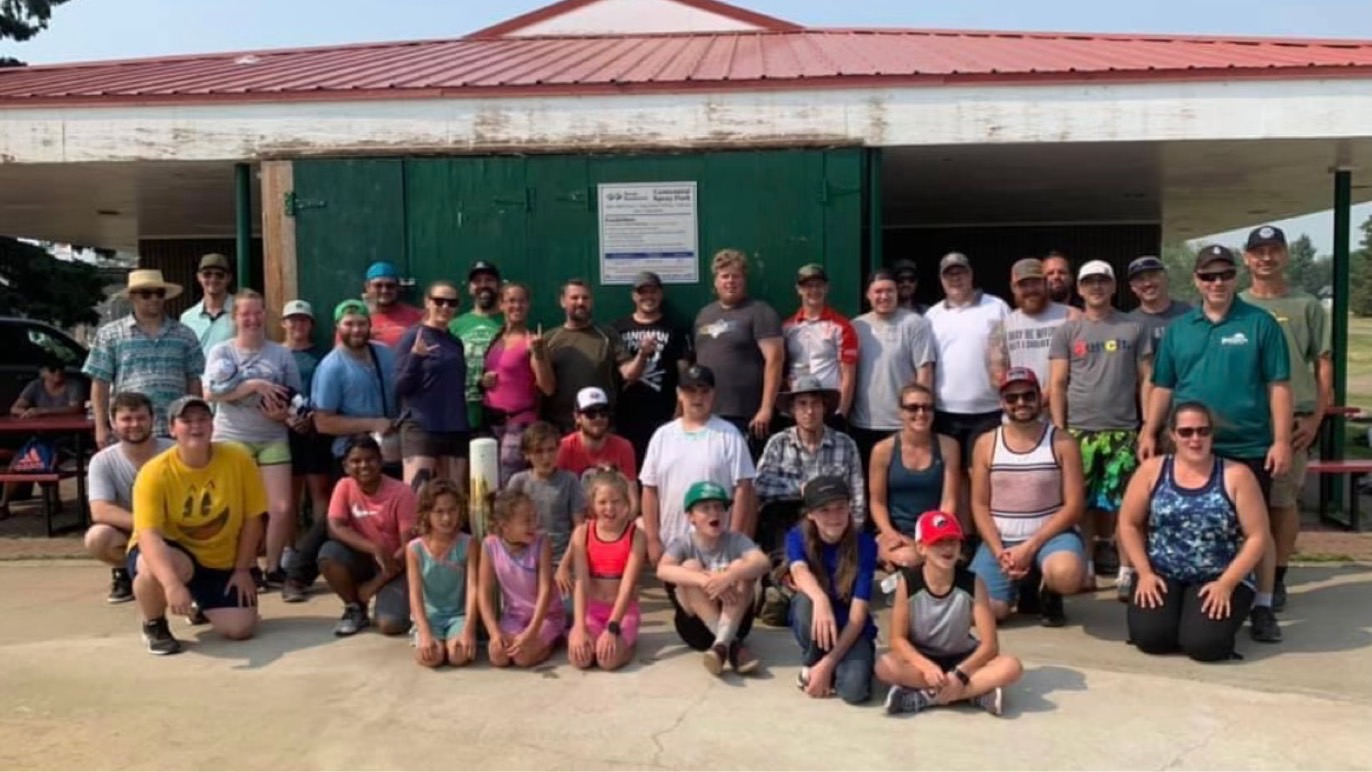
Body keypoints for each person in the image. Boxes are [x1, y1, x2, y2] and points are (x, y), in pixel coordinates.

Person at [1140, 244, 1292, 644]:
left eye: (1224, 274)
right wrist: (1149, 430)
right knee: (1186, 521)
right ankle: (1189, 590)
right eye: (1209, 276)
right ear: (1197, 280)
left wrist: (1281, 440)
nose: (1217, 282)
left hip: (1248, 444)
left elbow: (1278, 385)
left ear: (1235, 277)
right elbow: (1163, 386)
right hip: (1191, 444)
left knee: (1257, 530)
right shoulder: (1180, 330)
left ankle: (1262, 605)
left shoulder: (1260, 324)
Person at [1118, 403, 1270, 662]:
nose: (1195, 439)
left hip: (1218, 576)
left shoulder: (1237, 475)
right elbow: (1129, 523)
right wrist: (1143, 572)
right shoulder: (1151, 471)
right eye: (1186, 432)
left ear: (1212, 434)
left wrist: (1226, 584)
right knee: (1152, 639)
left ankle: (1205, 621)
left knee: (1205, 646)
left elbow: (1257, 536)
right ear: (1173, 434)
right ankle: (1178, 617)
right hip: (1162, 573)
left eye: (1203, 431)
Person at [127, 396, 266, 655]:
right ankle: (154, 624)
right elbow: (148, 536)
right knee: (149, 567)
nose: (196, 426)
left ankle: (199, 602)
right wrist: (171, 584)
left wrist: (243, 569)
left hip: (219, 559)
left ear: (213, 425)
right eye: (186, 421)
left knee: (240, 629)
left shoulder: (239, 458)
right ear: (172, 428)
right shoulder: (154, 472)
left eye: (203, 419)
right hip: (173, 551)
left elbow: (253, 518)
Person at [1240, 225, 1331, 613]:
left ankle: (1276, 577)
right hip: (1246, 419)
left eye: (1274, 250)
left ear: (1285, 255)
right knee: (1239, 502)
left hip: (1293, 420)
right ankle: (1241, 573)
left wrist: (1315, 419)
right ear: (1246, 258)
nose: (1266, 258)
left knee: (1281, 502)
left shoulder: (1306, 305)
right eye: (1258, 251)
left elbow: (1323, 365)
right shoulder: (1236, 304)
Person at [1048, 260, 1151, 596]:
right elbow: (1058, 383)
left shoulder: (1133, 327)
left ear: (1113, 286)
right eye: (1089, 282)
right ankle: (1087, 569)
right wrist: (1059, 430)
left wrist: (1148, 426)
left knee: (1127, 506)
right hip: (1079, 432)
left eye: (1102, 281)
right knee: (1081, 505)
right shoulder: (1067, 331)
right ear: (1079, 288)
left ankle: (1126, 571)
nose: (1096, 287)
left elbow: (1146, 380)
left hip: (1123, 431)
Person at [876, 510, 1023, 716]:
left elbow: (990, 646)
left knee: (1011, 666)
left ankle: (928, 696)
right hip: (923, 657)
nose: (947, 548)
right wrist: (925, 666)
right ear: (921, 547)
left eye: (952, 541)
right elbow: (897, 639)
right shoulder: (907, 583)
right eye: (938, 542)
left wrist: (961, 673)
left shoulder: (973, 583)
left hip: (962, 658)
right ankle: (973, 693)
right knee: (884, 667)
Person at [969, 368, 1086, 626]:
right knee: (984, 613)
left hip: (1050, 537)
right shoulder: (986, 443)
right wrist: (999, 551)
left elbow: (1074, 506)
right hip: (1002, 540)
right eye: (1012, 398)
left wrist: (1029, 547)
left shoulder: (1063, 442)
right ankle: (1020, 587)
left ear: (1039, 398)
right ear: (1002, 403)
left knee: (1066, 575)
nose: (1020, 402)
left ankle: (1049, 590)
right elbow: (979, 504)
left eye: (1028, 396)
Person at [204, 289, 302, 588]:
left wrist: (284, 414)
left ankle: (273, 567)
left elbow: (296, 397)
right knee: (240, 507)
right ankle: (246, 565)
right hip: (233, 436)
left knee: (281, 507)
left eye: (257, 313)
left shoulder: (281, 354)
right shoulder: (222, 352)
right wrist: (253, 385)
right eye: (245, 314)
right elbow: (210, 393)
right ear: (235, 317)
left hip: (272, 436)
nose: (252, 319)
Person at [640, 364, 756, 565]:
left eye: (704, 391)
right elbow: (649, 489)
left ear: (713, 394)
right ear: (679, 394)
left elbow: (743, 489)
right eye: (690, 391)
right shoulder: (662, 436)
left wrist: (734, 539)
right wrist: (652, 539)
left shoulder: (730, 435)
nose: (697, 397)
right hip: (671, 546)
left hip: (717, 548)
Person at [656, 480, 770, 676]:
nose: (714, 513)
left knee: (741, 566)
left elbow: (763, 562)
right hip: (697, 629)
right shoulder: (683, 543)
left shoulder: (736, 539)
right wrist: (704, 580)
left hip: (736, 623)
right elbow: (662, 570)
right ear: (691, 517)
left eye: (718, 507)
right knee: (689, 567)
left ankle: (721, 646)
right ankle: (730, 646)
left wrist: (729, 576)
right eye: (705, 508)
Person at [84, 269, 204, 445]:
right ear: (132, 297)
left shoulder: (185, 334)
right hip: (129, 429)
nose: (154, 298)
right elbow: (100, 382)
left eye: (159, 293)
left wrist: (195, 423)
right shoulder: (110, 334)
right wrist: (100, 427)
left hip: (175, 429)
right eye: (146, 294)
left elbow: (194, 381)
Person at [785, 476, 877, 704]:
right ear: (810, 514)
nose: (834, 517)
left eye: (840, 508)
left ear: (849, 508)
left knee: (854, 692)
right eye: (824, 510)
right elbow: (798, 571)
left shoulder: (865, 544)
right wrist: (821, 599)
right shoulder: (797, 537)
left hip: (851, 628)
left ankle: (826, 666)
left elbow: (858, 615)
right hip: (818, 620)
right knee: (804, 601)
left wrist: (830, 663)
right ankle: (813, 660)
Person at [755, 375, 865, 562]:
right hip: (789, 517)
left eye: (815, 404)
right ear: (792, 409)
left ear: (824, 407)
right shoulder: (778, 443)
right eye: (802, 404)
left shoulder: (845, 444)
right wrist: (801, 489)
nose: (809, 411)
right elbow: (761, 485)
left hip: (832, 519)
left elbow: (857, 494)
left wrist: (854, 531)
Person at [318, 435, 416, 637]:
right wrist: (374, 548)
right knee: (329, 554)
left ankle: (395, 600)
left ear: (381, 461)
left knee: (390, 624)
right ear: (345, 466)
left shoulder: (403, 493)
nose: (363, 465)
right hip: (365, 559)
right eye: (356, 461)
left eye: (370, 459)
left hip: (397, 564)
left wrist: (375, 584)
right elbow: (335, 527)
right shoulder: (344, 486)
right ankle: (354, 608)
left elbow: (409, 546)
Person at [83, 392, 173, 604]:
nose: (134, 424)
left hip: (174, 527)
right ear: (113, 423)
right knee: (97, 537)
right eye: (126, 419)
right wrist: (148, 525)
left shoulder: (174, 452)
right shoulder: (102, 461)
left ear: (152, 419)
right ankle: (124, 571)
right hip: (133, 529)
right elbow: (100, 510)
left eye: (141, 418)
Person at [925, 253, 1010, 474]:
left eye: (960, 272)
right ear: (941, 280)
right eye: (949, 274)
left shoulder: (997, 307)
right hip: (944, 412)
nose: (956, 278)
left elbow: (1012, 354)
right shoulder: (931, 316)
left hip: (989, 410)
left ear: (971, 274)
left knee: (982, 476)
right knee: (951, 476)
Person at [693, 249, 784, 457]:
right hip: (706, 413)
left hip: (747, 416)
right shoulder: (704, 315)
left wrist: (766, 408)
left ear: (744, 280)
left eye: (736, 276)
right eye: (725, 276)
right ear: (716, 282)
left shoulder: (760, 312)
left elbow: (775, 360)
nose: (730, 281)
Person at [849, 269, 936, 470]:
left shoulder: (914, 323)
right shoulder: (856, 326)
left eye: (889, 291)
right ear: (868, 295)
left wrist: (919, 413)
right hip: (863, 423)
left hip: (901, 424)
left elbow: (924, 371)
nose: (884, 296)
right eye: (878, 291)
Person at [869, 383, 960, 569]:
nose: (921, 413)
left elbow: (949, 500)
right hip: (896, 532)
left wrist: (933, 535)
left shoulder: (949, 447)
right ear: (901, 412)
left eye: (927, 407)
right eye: (912, 408)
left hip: (935, 530)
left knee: (914, 556)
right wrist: (890, 533)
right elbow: (877, 502)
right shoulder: (882, 450)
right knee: (904, 556)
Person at [568, 470, 648, 671]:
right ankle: (590, 637)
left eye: (616, 501)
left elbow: (627, 586)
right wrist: (579, 627)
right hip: (592, 611)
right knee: (581, 659)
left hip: (623, 613)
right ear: (592, 504)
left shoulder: (636, 536)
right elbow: (581, 583)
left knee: (607, 661)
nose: (609, 508)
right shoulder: (582, 533)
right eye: (602, 502)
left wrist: (612, 628)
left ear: (626, 503)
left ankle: (627, 644)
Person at [544, 279, 647, 434]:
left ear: (591, 301)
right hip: (560, 427)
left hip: (600, 424)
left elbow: (629, 373)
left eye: (585, 298)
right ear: (563, 301)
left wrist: (642, 354)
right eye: (574, 298)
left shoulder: (607, 335)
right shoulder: (549, 339)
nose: (580, 302)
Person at [280, 300, 333, 600]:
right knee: (289, 496)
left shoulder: (322, 357)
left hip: (315, 431)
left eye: (303, 320)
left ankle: (316, 550)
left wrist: (312, 419)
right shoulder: (276, 354)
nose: (297, 325)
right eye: (292, 320)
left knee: (319, 492)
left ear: (311, 324)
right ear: (284, 324)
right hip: (283, 431)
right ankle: (289, 551)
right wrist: (288, 419)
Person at [393, 280, 470, 487]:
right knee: (418, 494)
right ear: (427, 302)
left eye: (452, 303)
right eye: (439, 301)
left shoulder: (456, 343)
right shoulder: (412, 337)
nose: (445, 307)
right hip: (421, 426)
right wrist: (415, 358)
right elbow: (399, 387)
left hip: (454, 427)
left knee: (453, 496)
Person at [612, 271, 693, 464]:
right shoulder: (618, 328)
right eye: (643, 292)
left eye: (653, 291)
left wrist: (680, 409)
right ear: (634, 296)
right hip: (626, 415)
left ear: (661, 294)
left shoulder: (675, 329)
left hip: (664, 414)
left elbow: (684, 373)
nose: (648, 297)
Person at [479, 489, 564, 668]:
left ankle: (552, 641)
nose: (533, 525)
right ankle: (529, 640)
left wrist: (531, 632)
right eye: (526, 521)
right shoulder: (490, 545)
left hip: (545, 616)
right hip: (515, 616)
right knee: (498, 656)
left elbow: (546, 590)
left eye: (534, 518)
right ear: (505, 525)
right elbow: (483, 592)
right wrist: (494, 632)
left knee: (522, 657)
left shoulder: (542, 542)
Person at [482, 282, 554, 483]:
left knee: (508, 483)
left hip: (518, 424)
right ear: (501, 305)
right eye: (511, 301)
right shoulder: (496, 339)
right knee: (487, 483)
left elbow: (547, 387)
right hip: (491, 424)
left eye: (522, 301)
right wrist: (484, 381)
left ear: (528, 305)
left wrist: (539, 354)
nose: (517, 306)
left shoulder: (531, 342)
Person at [506, 421, 586, 600]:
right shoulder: (518, 482)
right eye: (539, 451)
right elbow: (507, 528)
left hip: (561, 559)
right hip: (526, 559)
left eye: (551, 450)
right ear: (527, 455)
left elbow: (579, 529)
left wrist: (565, 565)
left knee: (566, 608)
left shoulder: (570, 481)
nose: (546, 457)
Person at [0, 357, 86, 520]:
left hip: (66, 438)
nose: (58, 372)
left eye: (60, 368)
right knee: (16, 465)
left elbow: (75, 408)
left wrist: (43, 411)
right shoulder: (35, 386)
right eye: (52, 369)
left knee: (47, 462)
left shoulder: (74, 385)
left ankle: (53, 502)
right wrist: (26, 412)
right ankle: (3, 505)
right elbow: (15, 408)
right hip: (40, 437)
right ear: (43, 373)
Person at [407, 478, 479, 669]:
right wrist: (424, 632)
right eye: (439, 512)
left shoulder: (468, 544)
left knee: (459, 656)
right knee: (431, 657)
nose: (447, 518)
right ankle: (434, 640)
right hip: (430, 617)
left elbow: (473, 587)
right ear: (427, 514)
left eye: (452, 510)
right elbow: (414, 594)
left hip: (458, 616)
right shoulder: (415, 549)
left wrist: (469, 629)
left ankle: (453, 639)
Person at [991, 258, 1077, 403]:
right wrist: (1024, 400)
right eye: (1023, 285)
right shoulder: (1004, 325)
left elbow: (1080, 366)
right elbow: (997, 374)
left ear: (1045, 283)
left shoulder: (1071, 317)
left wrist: (1047, 396)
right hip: (1021, 410)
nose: (1030, 290)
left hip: (1065, 409)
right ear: (1013, 288)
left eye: (1035, 283)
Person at [783, 263, 858, 427]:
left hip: (828, 408)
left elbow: (848, 375)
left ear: (826, 288)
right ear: (799, 289)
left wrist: (841, 413)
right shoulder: (787, 327)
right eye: (808, 286)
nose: (814, 290)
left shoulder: (842, 326)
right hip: (797, 408)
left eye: (818, 285)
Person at [1124, 255, 1191, 413]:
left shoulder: (1190, 315)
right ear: (1132, 287)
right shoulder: (1126, 324)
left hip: (1186, 404)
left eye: (1153, 276)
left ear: (1165, 277)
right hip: (1143, 408)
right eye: (1140, 279)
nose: (1147, 283)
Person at [449, 261, 503, 434]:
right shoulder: (454, 325)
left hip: (499, 414)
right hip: (462, 412)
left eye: (489, 280)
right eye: (477, 281)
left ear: (499, 285)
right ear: (470, 288)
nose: (483, 285)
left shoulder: (510, 323)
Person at [557, 387, 637, 483]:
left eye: (603, 412)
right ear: (577, 417)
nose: (598, 418)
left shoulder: (623, 447)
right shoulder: (563, 448)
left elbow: (631, 490)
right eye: (590, 413)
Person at [179, 253, 236, 358]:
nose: (213, 279)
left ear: (229, 278)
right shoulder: (187, 318)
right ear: (199, 277)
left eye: (219, 275)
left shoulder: (242, 312)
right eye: (207, 274)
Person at [363, 261, 423, 347]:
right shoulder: (356, 319)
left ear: (398, 287)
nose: (384, 291)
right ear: (367, 287)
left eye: (390, 286)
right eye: (378, 286)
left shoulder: (417, 316)